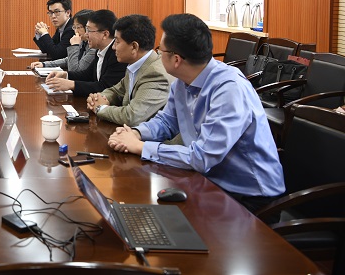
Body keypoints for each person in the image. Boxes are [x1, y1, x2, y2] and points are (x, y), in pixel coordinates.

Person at [107, 13, 285, 213]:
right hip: (209, 180)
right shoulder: (182, 81)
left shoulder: (229, 89)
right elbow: (166, 122)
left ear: (176, 59)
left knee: (162, 217)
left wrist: (140, 146)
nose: (157, 54)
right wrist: (136, 133)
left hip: (249, 196)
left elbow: (202, 157)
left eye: (160, 50)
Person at [87, 14, 172, 126]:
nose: (113, 47)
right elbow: (116, 91)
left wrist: (100, 108)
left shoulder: (156, 74)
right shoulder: (135, 64)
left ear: (134, 46)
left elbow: (132, 116)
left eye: (117, 42)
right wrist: (98, 98)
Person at [45, 9, 127, 98]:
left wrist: (72, 84)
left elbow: (105, 87)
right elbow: (87, 75)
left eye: (89, 30)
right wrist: (65, 75)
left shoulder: (117, 54)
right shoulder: (100, 50)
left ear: (105, 34)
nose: (86, 34)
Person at [31, 8, 96, 73]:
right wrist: (44, 64)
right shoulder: (83, 41)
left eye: (78, 27)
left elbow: (75, 71)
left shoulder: (94, 47)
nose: (76, 31)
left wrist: (74, 45)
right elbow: (68, 60)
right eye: (74, 27)